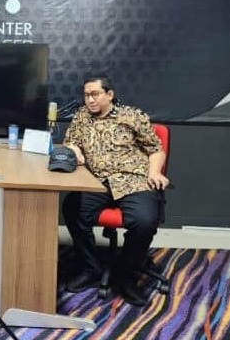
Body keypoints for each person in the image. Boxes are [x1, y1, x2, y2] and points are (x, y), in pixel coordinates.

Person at [62, 75, 168, 305]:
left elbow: (156, 149)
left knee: (144, 221)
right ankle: (91, 268)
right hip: (97, 181)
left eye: (95, 94)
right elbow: (70, 141)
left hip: (133, 180)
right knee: (72, 207)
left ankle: (125, 275)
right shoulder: (81, 117)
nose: (90, 100)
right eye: (86, 95)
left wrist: (155, 172)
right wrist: (75, 151)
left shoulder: (132, 115)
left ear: (109, 94)